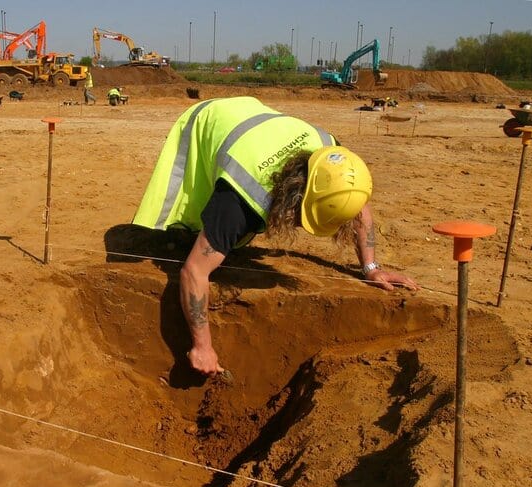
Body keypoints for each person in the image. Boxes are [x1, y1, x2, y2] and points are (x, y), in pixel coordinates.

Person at [132, 96, 418, 377]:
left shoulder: (334, 162)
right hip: (208, 120)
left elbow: (357, 208)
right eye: (301, 219)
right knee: (192, 213)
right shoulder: (241, 197)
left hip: (253, 117)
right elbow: (193, 272)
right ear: (292, 199)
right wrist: (202, 346)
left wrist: (372, 268)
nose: (298, 227)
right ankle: (186, 232)